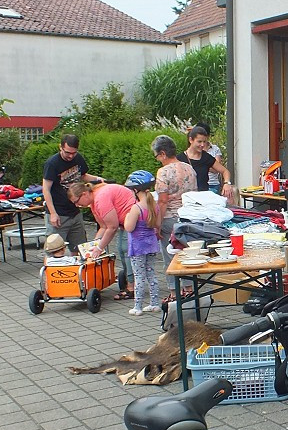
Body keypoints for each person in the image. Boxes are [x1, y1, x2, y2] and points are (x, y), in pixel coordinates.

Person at [152, 134, 198, 301]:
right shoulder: (189, 168)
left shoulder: (163, 172)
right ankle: (189, 290)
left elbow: (163, 201)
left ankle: (174, 293)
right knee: (187, 256)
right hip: (189, 217)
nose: (158, 160)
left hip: (170, 218)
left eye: (157, 156)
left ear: (163, 153)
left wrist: (157, 224)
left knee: (170, 256)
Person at [41, 134, 103, 247]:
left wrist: (98, 179)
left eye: (74, 153)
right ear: (60, 147)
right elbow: (46, 189)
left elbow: (83, 176)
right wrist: (53, 214)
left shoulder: (78, 158)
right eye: (67, 152)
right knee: (54, 250)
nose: (70, 156)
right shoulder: (52, 163)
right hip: (59, 213)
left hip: (75, 212)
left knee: (80, 248)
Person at [122, 170, 163, 316]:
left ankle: (137, 307)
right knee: (151, 275)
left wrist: (127, 216)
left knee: (139, 276)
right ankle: (154, 303)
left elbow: (129, 227)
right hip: (151, 244)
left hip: (138, 247)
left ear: (135, 190)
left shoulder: (136, 208)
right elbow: (157, 224)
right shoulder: (154, 206)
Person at [66, 181, 137, 260]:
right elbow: (103, 227)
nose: (77, 205)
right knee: (121, 248)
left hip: (135, 222)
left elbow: (113, 227)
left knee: (125, 248)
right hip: (127, 222)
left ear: (84, 194)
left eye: (76, 201)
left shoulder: (100, 199)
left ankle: (131, 272)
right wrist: (93, 245)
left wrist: (99, 248)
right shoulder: (93, 202)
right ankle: (127, 271)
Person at [177, 125, 236, 202]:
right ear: (191, 140)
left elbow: (225, 171)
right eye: (199, 141)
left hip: (204, 198)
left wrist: (227, 183)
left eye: (204, 142)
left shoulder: (206, 157)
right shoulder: (180, 158)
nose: (202, 145)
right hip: (186, 199)